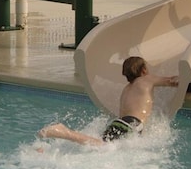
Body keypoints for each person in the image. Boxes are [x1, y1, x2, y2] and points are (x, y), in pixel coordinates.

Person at [39, 56, 179, 146]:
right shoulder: (145, 79)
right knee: (103, 147)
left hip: (121, 122)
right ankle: (63, 132)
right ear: (143, 70)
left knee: (101, 147)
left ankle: (47, 147)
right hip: (131, 123)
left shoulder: (127, 89)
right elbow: (172, 81)